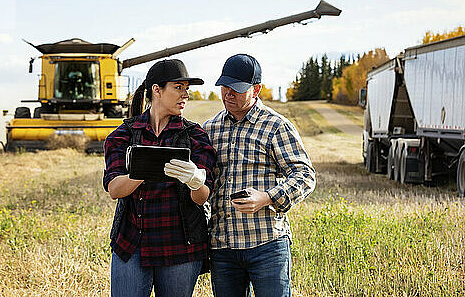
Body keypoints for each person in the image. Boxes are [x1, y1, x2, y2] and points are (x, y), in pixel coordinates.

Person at [203, 54, 316, 297]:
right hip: (223, 247)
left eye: (236, 89)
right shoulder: (210, 128)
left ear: (256, 90)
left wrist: (266, 198)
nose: (228, 94)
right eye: (224, 87)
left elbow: (305, 175)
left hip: (267, 245)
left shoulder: (276, 126)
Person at [103, 59, 216, 297]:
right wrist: (144, 169)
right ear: (157, 89)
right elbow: (115, 189)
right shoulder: (123, 135)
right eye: (178, 87)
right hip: (132, 244)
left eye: (187, 89)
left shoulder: (195, 136)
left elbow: (202, 196)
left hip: (180, 246)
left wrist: (195, 180)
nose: (185, 94)